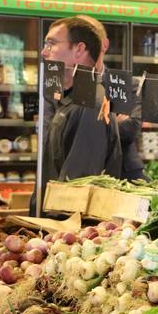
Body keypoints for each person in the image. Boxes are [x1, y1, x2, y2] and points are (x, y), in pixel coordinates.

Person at [34, 16, 123, 213]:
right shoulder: (70, 98)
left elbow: (77, 186)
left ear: (79, 49)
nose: (43, 52)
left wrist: (52, 230)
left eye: (51, 44)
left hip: (66, 231)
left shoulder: (91, 102)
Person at [79, 15, 146, 181]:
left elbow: (131, 129)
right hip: (79, 176)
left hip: (125, 176)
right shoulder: (63, 86)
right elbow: (55, 131)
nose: (83, 47)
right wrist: (114, 120)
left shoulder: (128, 84)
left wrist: (87, 126)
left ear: (104, 45)